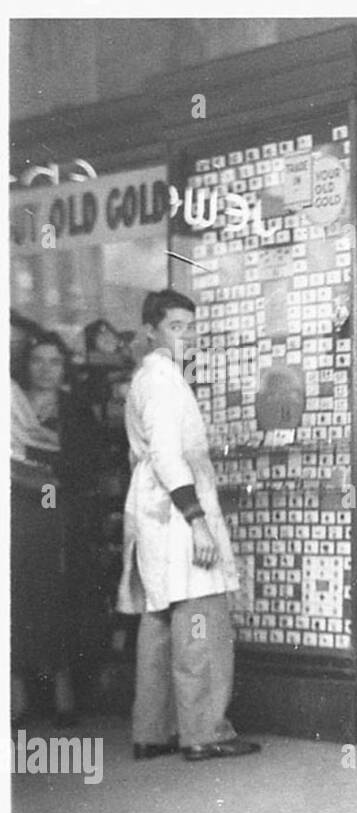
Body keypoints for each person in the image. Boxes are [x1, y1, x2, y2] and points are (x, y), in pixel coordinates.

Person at [116, 289, 259, 762]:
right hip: (175, 513)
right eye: (176, 327)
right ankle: (204, 732)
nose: (186, 336)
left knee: (159, 621)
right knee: (200, 617)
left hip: (154, 512)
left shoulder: (151, 377)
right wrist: (197, 521)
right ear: (151, 331)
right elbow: (164, 453)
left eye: (190, 326)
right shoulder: (162, 380)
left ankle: (151, 732)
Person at [9, 332, 98, 724]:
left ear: (64, 367)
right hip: (15, 511)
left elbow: (84, 463)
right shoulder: (10, 403)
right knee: (16, 597)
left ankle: (62, 694)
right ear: (25, 364)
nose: (45, 369)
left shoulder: (73, 407)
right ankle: (16, 695)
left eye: (54, 361)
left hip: (54, 509)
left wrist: (46, 479)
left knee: (55, 596)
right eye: (37, 361)